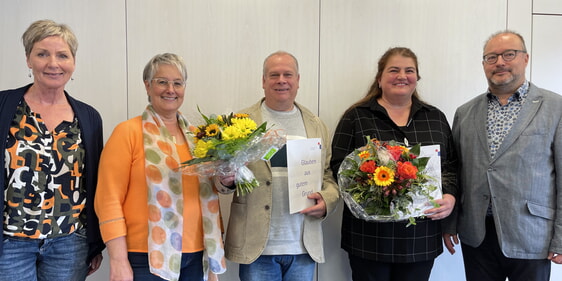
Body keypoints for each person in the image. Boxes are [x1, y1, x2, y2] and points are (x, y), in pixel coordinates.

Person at [94, 53, 226, 281]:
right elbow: (108, 199)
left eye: (177, 83)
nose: (170, 89)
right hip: (145, 256)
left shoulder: (198, 138)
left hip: (197, 255)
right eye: (162, 82)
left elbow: (213, 189)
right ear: (147, 85)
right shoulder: (127, 133)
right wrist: (117, 259)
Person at [330, 47, 458, 281]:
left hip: (420, 237)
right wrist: (370, 185)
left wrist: (449, 197)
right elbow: (339, 167)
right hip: (369, 237)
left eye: (409, 70)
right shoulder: (356, 117)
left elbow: (450, 167)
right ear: (379, 78)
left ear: (416, 78)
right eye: (394, 70)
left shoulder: (435, 117)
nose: (402, 75)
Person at [442, 30, 562, 281]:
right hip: (477, 235)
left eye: (509, 54)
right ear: (484, 64)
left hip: (531, 235)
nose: (500, 62)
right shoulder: (464, 112)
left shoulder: (556, 108)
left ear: (525, 58)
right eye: (491, 57)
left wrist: (561, 238)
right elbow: (454, 170)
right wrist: (449, 224)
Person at [217, 51, 340, 281]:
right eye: (274, 75)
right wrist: (225, 179)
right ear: (263, 81)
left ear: (298, 80)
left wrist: (327, 200)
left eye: (287, 74)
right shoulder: (240, 122)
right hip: (257, 246)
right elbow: (222, 179)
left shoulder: (316, 125)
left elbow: (327, 176)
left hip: (303, 246)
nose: (281, 80)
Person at [0, 19, 105, 280]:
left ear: (73, 62)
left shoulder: (89, 117)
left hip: (68, 244)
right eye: (42, 54)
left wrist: (96, 242)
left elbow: (94, 183)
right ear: (28, 59)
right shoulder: (3, 105)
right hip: (10, 244)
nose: (53, 63)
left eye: (62, 55)